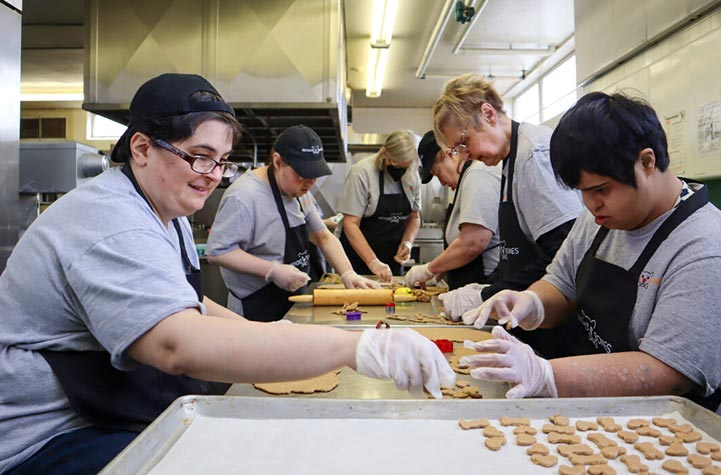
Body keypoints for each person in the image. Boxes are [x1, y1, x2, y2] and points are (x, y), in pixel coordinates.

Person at [0, 73, 455, 475]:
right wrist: (359, 346)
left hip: (103, 406)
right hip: (48, 437)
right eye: (200, 156)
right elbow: (177, 343)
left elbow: (186, 301)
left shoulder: (166, 209)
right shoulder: (110, 220)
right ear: (141, 147)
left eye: (221, 161)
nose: (213, 176)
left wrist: (266, 334)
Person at [460, 92, 721, 429]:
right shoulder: (599, 220)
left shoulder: (708, 248)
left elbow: (669, 373)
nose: (591, 204)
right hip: (611, 415)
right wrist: (531, 303)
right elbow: (561, 284)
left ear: (646, 162)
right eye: (582, 192)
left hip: (693, 433)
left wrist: (546, 375)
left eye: (601, 189)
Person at [429, 74, 583, 356]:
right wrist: (489, 286)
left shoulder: (534, 156)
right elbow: (519, 252)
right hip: (530, 321)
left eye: (464, 143)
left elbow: (564, 255)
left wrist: (486, 295)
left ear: (487, 114)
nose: (465, 156)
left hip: (555, 325)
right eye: (457, 150)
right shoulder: (508, 160)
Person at [206, 125, 380, 322]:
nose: (310, 183)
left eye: (314, 176)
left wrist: (348, 273)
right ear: (277, 161)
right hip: (256, 306)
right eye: (302, 175)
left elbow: (322, 236)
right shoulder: (245, 197)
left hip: (291, 300)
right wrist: (272, 270)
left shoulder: (299, 191)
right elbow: (218, 252)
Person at [404, 130, 501, 290]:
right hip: (468, 285)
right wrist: (439, 273)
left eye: (437, 172)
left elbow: (473, 243)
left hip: (484, 285)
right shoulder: (465, 180)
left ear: (448, 154)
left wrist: (430, 269)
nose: (441, 182)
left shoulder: (477, 175)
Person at [338, 130, 422, 282]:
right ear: (384, 153)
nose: (398, 169)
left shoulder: (412, 175)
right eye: (394, 163)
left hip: (392, 262)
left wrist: (407, 242)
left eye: (404, 166)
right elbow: (350, 224)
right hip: (358, 263)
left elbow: (414, 217)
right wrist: (373, 262)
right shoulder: (361, 173)